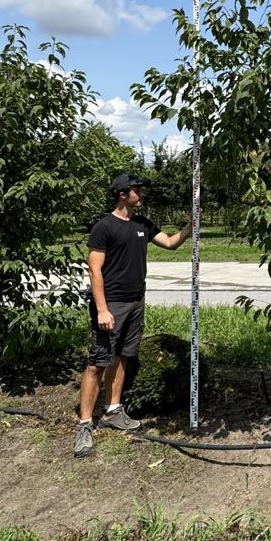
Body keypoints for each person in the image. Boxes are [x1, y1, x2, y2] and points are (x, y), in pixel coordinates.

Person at [74, 172, 192, 458]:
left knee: (124, 356)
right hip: (111, 303)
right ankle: (85, 424)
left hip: (136, 301)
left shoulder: (142, 225)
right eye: (138, 189)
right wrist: (102, 308)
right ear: (123, 193)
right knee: (97, 363)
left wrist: (191, 225)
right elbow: (95, 270)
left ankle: (114, 410)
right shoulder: (103, 227)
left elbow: (171, 242)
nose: (142, 193)